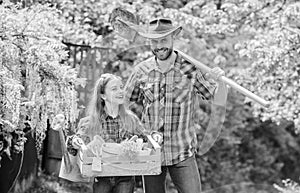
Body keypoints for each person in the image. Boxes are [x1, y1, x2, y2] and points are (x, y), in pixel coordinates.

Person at [124, 18, 228, 193]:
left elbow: (217, 98)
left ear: (173, 38)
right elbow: (122, 105)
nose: (159, 46)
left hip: (182, 152)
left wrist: (221, 82)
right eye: (154, 41)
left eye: (163, 40)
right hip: (151, 152)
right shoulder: (141, 71)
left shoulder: (189, 69)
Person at [67, 73, 150, 193]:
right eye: (114, 89)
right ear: (103, 95)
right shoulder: (92, 121)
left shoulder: (131, 119)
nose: (120, 91)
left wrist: (143, 142)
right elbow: (74, 142)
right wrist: (75, 142)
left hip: (125, 177)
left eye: (121, 87)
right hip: (101, 177)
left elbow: (146, 139)